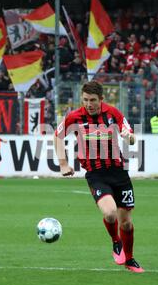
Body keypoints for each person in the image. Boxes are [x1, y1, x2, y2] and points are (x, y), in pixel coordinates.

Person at [54, 81, 144, 273]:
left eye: (93, 100)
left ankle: (130, 260)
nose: (89, 104)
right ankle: (115, 241)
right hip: (96, 175)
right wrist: (63, 163)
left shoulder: (113, 114)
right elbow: (58, 135)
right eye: (85, 100)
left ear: (101, 99)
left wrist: (129, 136)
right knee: (110, 213)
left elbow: (130, 136)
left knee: (126, 223)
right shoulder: (74, 117)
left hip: (119, 173)